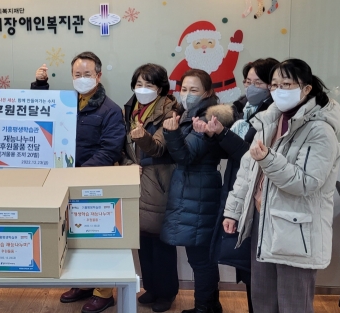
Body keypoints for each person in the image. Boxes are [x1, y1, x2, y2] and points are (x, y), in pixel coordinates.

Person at [223, 59, 340, 313]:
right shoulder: (269, 120)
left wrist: (268, 158)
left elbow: (305, 183)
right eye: (275, 85)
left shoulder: (320, 130)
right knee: (263, 300)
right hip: (263, 220)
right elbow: (248, 171)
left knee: (293, 304)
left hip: (297, 230)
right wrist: (233, 210)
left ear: (306, 89)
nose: (279, 90)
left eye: (286, 84)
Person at [32, 52, 125, 313]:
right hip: (66, 181)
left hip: (95, 182)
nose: (82, 79)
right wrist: (40, 84)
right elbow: (37, 110)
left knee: (98, 236)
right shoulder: (66, 102)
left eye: (87, 74)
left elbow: (110, 150)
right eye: (77, 75)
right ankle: (83, 284)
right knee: (73, 235)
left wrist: (80, 172)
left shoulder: (111, 110)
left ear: (98, 75)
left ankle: (103, 292)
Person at [195, 58, 277, 313]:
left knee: (260, 271)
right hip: (238, 190)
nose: (250, 87)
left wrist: (221, 134)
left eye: (258, 82)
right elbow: (229, 153)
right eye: (247, 81)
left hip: (260, 197)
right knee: (248, 266)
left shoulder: (271, 116)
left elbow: (250, 154)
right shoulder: (242, 110)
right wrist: (212, 134)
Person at [160, 69, 223, 313]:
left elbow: (186, 156)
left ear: (207, 92)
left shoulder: (208, 116)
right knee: (200, 257)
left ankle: (205, 308)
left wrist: (172, 132)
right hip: (193, 190)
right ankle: (209, 306)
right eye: (184, 89)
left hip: (200, 191)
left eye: (194, 90)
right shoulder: (189, 113)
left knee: (201, 258)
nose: (187, 94)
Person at [121, 64, 180, 312]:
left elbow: (158, 148)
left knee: (161, 241)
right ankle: (151, 287)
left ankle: (167, 293)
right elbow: (122, 149)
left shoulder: (170, 111)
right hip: (135, 181)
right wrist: (127, 165)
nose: (142, 89)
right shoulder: (129, 109)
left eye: (149, 85)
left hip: (158, 182)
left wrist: (141, 136)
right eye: (139, 84)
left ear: (161, 88)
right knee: (142, 239)